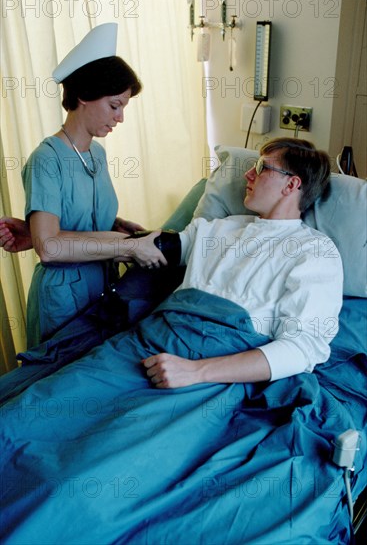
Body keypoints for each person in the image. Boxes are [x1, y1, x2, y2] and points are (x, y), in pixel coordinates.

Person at [2, 138, 344, 390]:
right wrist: (45, 237)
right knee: (41, 399)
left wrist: (197, 372)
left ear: (292, 184)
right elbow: (142, 247)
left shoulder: (314, 252)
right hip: (148, 342)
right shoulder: (219, 228)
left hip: (211, 364)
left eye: (261, 168)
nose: (248, 176)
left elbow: (303, 347)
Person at [0, 23, 167, 349]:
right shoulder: (47, 159)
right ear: (83, 96)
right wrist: (126, 245)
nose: (119, 118)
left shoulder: (98, 155)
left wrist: (124, 229)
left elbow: (85, 219)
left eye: (123, 108)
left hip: (102, 287)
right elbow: (49, 247)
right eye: (114, 105)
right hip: (63, 297)